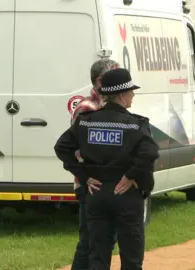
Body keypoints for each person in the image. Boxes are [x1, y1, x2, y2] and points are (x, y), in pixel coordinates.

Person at [54, 68, 159, 270]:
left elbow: (62, 147)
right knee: (131, 258)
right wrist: (130, 176)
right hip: (127, 194)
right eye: (130, 91)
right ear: (121, 95)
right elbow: (150, 153)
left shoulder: (86, 122)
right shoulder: (136, 125)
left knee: (98, 257)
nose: (133, 95)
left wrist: (84, 175)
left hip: (97, 192)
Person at [70, 59, 119, 270]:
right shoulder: (86, 108)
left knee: (105, 240)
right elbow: (79, 150)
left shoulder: (108, 106)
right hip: (90, 185)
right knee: (90, 242)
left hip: (106, 185)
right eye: (114, 76)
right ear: (100, 81)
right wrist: (86, 176)